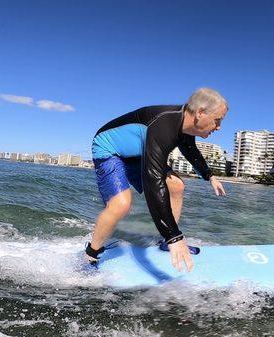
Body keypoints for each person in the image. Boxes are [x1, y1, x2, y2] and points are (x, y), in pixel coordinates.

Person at [86, 88, 228, 272]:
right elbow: (153, 182)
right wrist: (174, 237)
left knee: (176, 186)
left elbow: (190, 152)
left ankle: (165, 243)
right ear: (200, 113)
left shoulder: (184, 128)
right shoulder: (163, 124)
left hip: (136, 153)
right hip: (109, 150)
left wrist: (210, 176)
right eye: (217, 121)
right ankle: (91, 254)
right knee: (121, 204)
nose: (219, 127)